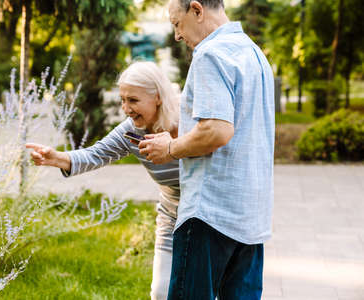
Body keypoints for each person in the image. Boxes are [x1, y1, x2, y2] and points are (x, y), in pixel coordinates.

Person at [139, 0, 275, 299]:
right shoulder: (254, 54)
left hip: (210, 214)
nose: (176, 35)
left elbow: (216, 129)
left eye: (177, 23)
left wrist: (171, 148)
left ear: (197, 10)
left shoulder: (210, 54)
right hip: (251, 216)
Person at [26, 61, 180, 300]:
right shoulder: (131, 132)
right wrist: (57, 158)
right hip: (171, 216)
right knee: (161, 292)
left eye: (133, 100)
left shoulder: (187, 123)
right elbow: (96, 154)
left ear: (158, 97)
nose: (126, 108)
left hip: (207, 217)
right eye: (123, 100)